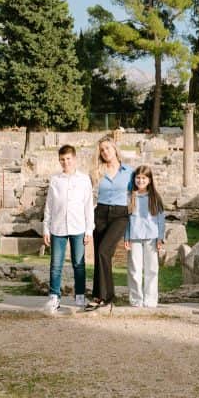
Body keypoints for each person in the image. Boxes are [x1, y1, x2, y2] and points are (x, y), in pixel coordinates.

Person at [41, 144, 94, 313]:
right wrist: (45, 228)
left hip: (78, 226)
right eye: (62, 160)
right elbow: (49, 205)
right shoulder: (55, 179)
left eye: (68, 159)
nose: (66, 162)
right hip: (58, 227)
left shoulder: (84, 179)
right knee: (56, 264)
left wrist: (89, 230)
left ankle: (80, 297)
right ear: (59, 161)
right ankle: (54, 297)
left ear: (75, 159)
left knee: (79, 264)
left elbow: (88, 205)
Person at [86, 134, 133, 311]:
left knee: (104, 251)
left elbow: (136, 196)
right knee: (99, 254)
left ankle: (105, 296)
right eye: (102, 150)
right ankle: (99, 296)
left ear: (114, 149)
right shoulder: (97, 172)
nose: (105, 152)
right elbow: (86, 195)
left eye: (107, 148)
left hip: (120, 215)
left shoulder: (129, 172)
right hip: (100, 213)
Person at [124, 165, 166, 308]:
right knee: (134, 269)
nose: (140, 180)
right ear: (134, 179)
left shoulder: (155, 197)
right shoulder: (130, 196)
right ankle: (136, 299)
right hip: (134, 237)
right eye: (138, 178)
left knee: (152, 269)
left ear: (149, 180)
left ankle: (151, 299)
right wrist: (126, 237)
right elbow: (127, 219)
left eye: (144, 178)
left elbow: (161, 218)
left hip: (151, 237)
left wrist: (160, 237)